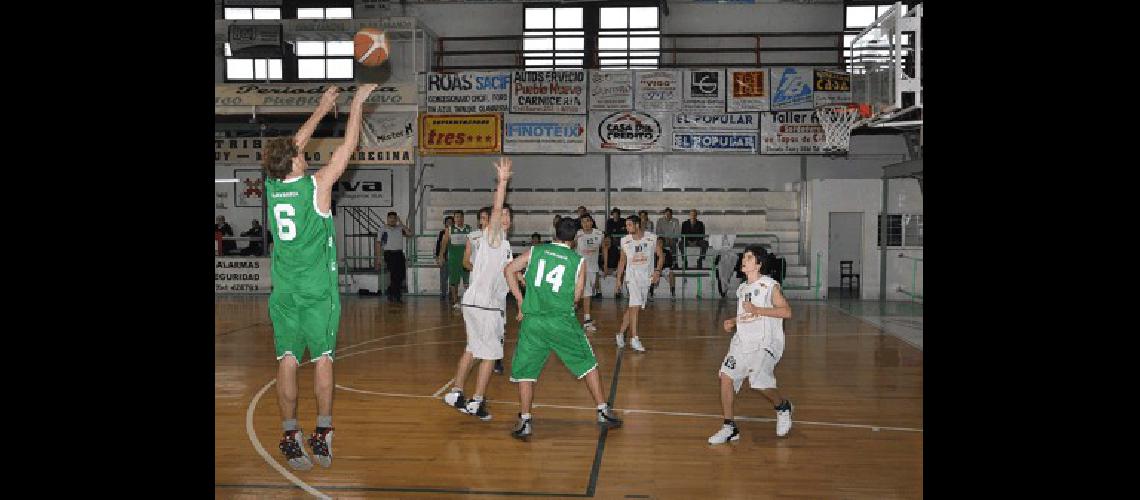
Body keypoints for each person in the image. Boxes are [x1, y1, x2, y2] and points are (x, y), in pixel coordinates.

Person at [261, 84, 377, 470]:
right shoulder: (316, 187)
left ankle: (290, 435)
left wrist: (322, 107)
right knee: (324, 359)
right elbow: (347, 149)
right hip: (316, 292)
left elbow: (291, 144)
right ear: (293, 162)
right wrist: (357, 105)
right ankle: (323, 432)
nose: (303, 153)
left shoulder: (273, 185)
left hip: (284, 291)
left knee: (288, 358)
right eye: (298, 155)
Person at [501, 218, 624, 440]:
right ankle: (602, 411)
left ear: (554, 233)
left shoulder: (536, 251)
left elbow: (509, 270)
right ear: (575, 237)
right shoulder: (578, 261)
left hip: (534, 322)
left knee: (526, 373)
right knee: (588, 363)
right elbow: (577, 297)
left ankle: (525, 419)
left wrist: (520, 300)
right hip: (561, 322)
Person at [443, 158, 515, 419]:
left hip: (474, 302)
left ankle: (455, 391)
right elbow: (496, 210)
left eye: (509, 214)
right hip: (485, 306)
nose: (505, 217)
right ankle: (476, 401)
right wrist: (503, 182)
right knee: (490, 355)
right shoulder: (493, 236)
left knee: (472, 349)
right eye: (502, 214)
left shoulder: (501, 243)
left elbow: (507, 273)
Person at [708, 245, 794, 444]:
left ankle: (783, 407)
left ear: (758, 264)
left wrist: (758, 310)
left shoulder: (769, 285)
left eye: (748, 257)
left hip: (764, 343)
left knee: (758, 382)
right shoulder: (742, 288)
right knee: (726, 377)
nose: (743, 260)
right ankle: (729, 426)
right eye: (744, 257)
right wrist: (734, 321)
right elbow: (747, 314)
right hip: (742, 342)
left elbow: (786, 312)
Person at [614, 215, 663, 353]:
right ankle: (634, 338)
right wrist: (618, 279)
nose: (627, 227)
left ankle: (620, 334)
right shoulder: (624, 241)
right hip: (632, 278)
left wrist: (658, 271)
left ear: (637, 225)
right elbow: (622, 261)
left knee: (632, 309)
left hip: (646, 278)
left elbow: (661, 256)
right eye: (626, 225)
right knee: (634, 307)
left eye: (629, 225)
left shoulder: (651, 238)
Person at [574, 213, 604, 332]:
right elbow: (571, 248)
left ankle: (586, 320)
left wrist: (604, 265)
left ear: (592, 222)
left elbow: (604, 249)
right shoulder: (577, 235)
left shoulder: (599, 234)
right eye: (583, 222)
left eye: (587, 221)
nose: (585, 224)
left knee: (587, 295)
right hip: (579, 269)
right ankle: (583, 319)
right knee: (580, 294)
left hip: (592, 268)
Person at [439, 210, 473, 309]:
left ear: (463, 218)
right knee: (454, 281)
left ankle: (468, 301)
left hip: (466, 259)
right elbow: (444, 244)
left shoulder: (469, 229)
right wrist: (441, 256)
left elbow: (473, 244)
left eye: (460, 217)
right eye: (456, 217)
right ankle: (455, 301)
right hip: (454, 260)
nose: (458, 219)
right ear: (454, 219)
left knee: (467, 281)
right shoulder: (449, 229)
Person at [375, 212, 413, 302]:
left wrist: (402, 223)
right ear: (387, 219)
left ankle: (393, 293)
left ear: (396, 219)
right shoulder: (383, 229)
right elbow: (379, 243)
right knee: (394, 274)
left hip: (399, 254)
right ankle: (395, 296)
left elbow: (409, 233)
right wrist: (378, 258)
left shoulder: (400, 228)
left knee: (401, 275)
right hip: (389, 254)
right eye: (390, 218)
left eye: (394, 218)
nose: (392, 219)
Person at [435, 216, 454, 301]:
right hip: (444, 258)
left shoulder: (456, 232)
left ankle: (452, 293)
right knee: (443, 278)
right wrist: (438, 257)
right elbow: (438, 245)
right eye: (447, 222)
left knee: (453, 278)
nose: (449, 223)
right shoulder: (441, 232)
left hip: (454, 258)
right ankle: (443, 294)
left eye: (451, 221)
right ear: (445, 223)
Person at [601, 235, 623, 299]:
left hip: (614, 269)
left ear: (611, 240)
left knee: (621, 273)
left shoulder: (614, 248)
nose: (607, 241)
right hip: (603, 269)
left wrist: (614, 269)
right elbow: (600, 262)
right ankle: (598, 291)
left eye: (608, 240)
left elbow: (618, 260)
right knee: (596, 271)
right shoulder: (601, 249)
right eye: (605, 240)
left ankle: (618, 291)